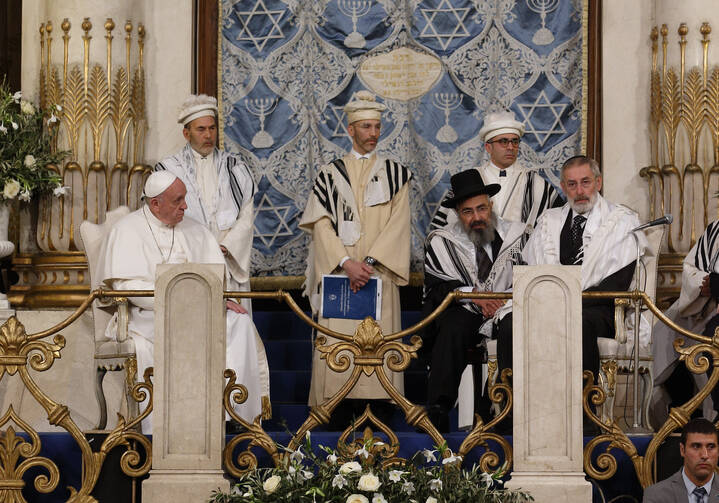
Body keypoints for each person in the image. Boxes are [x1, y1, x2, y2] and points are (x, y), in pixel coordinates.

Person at [94, 171, 270, 431]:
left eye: (184, 198)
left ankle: (236, 416)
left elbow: (214, 276)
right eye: (178, 200)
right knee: (181, 332)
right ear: (155, 204)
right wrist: (180, 301)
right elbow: (126, 286)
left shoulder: (194, 229)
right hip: (147, 315)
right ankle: (169, 427)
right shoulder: (127, 230)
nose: (185, 206)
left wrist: (220, 299)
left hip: (200, 309)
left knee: (239, 324)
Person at [300, 90, 412, 409]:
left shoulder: (396, 174)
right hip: (342, 275)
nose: (373, 133)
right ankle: (335, 406)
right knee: (339, 348)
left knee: (378, 348)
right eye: (365, 127)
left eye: (376, 127)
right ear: (350, 130)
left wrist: (370, 263)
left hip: (378, 275)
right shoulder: (328, 175)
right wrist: (346, 262)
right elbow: (320, 224)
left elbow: (399, 224)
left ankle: (379, 406)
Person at [497, 155, 647, 385]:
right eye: (572, 184)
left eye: (585, 182)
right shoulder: (549, 220)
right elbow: (528, 271)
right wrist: (549, 303)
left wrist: (564, 303)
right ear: (563, 186)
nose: (579, 191)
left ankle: (584, 411)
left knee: (579, 321)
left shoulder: (623, 221)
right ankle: (512, 412)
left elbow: (616, 285)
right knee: (510, 323)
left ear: (598, 182)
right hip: (547, 304)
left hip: (597, 309)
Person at [421, 169, 528, 432]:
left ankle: (506, 409)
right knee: (453, 326)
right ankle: (438, 409)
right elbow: (437, 288)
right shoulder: (442, 241)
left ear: (491, 206)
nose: (477, 217)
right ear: (458, 214)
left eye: (482, 209)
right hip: (465, 307)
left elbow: (531, 274)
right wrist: (475, 297)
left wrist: (504, 302)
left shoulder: (519, 235)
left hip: (510, 308)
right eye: (468, 212)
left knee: (513, 325)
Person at [155, 94, 255, 312]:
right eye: (201, 129)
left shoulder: (236, 168)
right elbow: (160, 218)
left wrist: (226, 248)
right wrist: (200, 249)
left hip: (228, 259)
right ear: (186, 132)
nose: (208, 135)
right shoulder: (167, 170)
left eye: (212, 128)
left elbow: (247, 216)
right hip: (188, 261)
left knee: (234, 330)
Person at [432, 110, 562, 230]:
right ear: (488, 147)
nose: (511, 147)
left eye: (515, 141)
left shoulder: (536, 184)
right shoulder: (469, 180)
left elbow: (556, 228)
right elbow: (444, 230)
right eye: (503, 141)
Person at [652, 220, 719, 422]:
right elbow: (691, 266)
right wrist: (703, 282)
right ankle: (682, 414)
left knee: (708, 343)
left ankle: (711, 419)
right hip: (703, 305)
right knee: (663, 331)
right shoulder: (716, 227)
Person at [642, 418, 719, 502]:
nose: (705, 455)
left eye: (711, 447)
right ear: (682, 450)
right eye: (696, 446)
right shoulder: (656, 495)